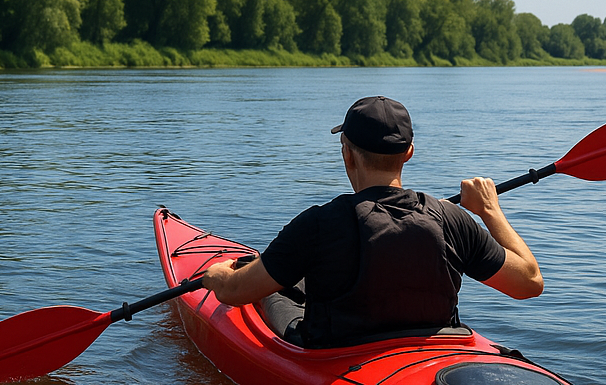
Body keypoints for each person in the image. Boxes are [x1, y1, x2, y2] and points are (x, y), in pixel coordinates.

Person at [200, 96, 543, 347]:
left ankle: (261, 268)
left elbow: (235, 292)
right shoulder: (451, 219)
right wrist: (489, 211)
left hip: (335, 351)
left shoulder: (318, 225)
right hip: (436, 347)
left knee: (276, 293)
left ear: (346, 151)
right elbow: (528, 283)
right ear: (409, 152)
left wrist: (218, 275)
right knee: (300, 275)